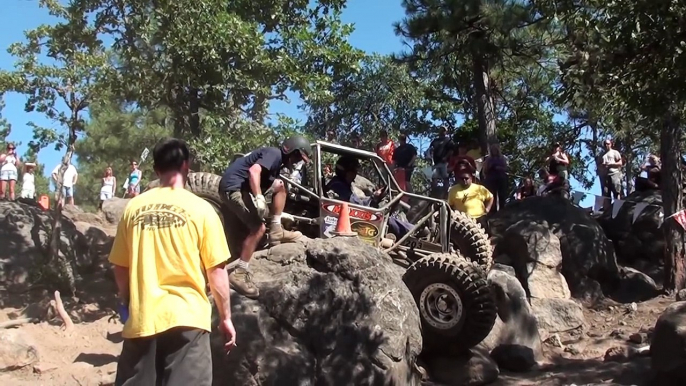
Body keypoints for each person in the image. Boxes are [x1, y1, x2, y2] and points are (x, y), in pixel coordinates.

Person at [108, 138, 235, 386]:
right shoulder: (202, 210)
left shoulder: (134, 207)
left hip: (143, 319)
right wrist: (225, 318)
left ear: (156, 170)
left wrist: (127, 301)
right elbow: (217, 271)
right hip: (188, 320)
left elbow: (120, 267)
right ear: (186, 166)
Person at [219, 135, 312, 299]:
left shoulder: (277, 165)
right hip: (233, 188)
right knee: (258, 229)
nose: (297, 161)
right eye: (297, 156)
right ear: (290, 150)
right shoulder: (274, 154)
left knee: (280, 186)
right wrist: (259, 197)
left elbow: (270, 183)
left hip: (241, 187)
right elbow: (254, 171)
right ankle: (239, 273)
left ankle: (276, 229)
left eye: (300, 159)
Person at [326, 156, 413, 239]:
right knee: (385, 219)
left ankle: (412, 231)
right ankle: (412, 232)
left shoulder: (342, 185)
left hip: (354, 216)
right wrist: (373, 198)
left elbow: (356, 202)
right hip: (352, 219)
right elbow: (355, 204)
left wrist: (374, 197)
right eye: (353, 172)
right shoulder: (338, 186)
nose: (355, 175)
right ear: (346, 172)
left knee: (387, 217)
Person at [481, 143, 508, 213]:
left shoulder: (502, 158)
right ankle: (493, 211)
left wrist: (499, 167)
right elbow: (485, 169)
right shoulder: (488, 159)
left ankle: (502, 210)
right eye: (492, 150)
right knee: (492, 195)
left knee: (502, 194)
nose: (494, 151)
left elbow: (506, 168)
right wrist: (490, 166)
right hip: (491, 178)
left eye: (495, 149)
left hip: (501, 177)